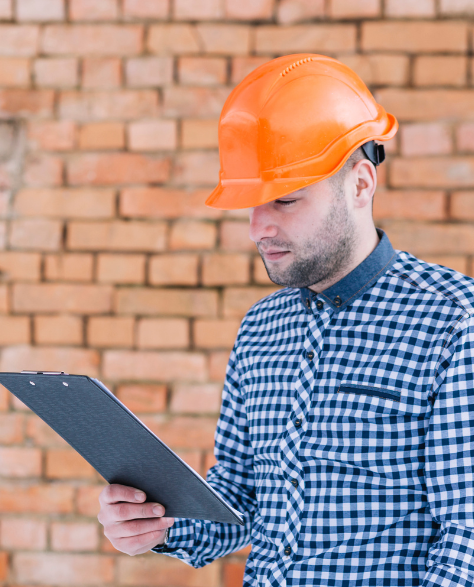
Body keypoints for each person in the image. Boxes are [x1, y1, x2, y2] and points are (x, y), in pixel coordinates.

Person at [97, 55, 474, 586]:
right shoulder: (260, 328)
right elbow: (242, 498)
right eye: (251, 204)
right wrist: (157, 524)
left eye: (285, 200)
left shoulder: (453, 323)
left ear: (361, 185)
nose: (258, 228)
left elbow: (466, 538)